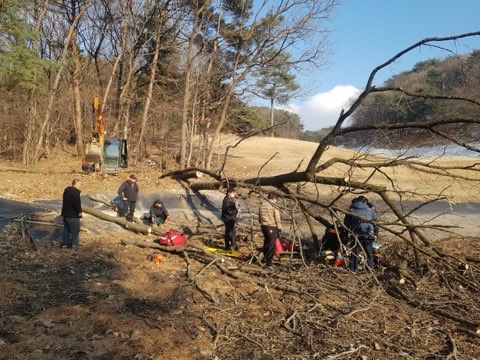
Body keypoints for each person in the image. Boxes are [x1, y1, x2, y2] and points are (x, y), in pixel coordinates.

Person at [344, 196, 378, 270]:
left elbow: (346, 223)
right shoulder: (370, 210)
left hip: (356, 235)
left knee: (355, 252)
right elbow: (375, 218)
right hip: (368, 235)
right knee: (369, 253)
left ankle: (353, 268)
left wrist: (346, 234)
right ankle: (370, 268)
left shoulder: (351, 210)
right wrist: (372, 206)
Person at [259, 192, 282, 267]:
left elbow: (259, 217)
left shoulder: (262, 205)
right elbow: (277, 218)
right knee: (271, 245)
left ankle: (265, 258)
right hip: (271, 226)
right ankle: (269, 263)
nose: (276, 201)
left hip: (263, 227)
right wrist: (279, 228)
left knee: (266, 242)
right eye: (276, 199)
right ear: (274, 198)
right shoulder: (273, 206)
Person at [61, 178, 82, 249]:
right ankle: (74, 245)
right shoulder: (75, 193)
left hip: (65, 214)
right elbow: (76, 203)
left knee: (66, 230)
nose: (80, 186)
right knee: (75, 230)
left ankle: (65, 244)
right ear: (76, 184)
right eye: (79, 184)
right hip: (73, 215)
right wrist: (79, 212)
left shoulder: (66, 192)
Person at [221, 187, 239, 251]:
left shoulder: (231, 199)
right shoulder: (226, 200)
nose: (234, 194)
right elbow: (229, 211)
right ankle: (229, 246)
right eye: (233, 193)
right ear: (229, 193)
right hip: (228, 219)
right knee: (229, 232)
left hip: (231, 218)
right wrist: (237, 211)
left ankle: (232, 245)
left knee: (233, 232)